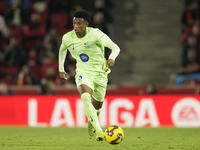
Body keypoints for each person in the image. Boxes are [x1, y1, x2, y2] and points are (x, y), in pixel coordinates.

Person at [58, 10, 120, 141]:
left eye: (79, 23)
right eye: (74, 23)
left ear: (86, 24)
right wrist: (61, 68)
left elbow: (115, 48)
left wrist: (112, 58)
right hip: (83, 72)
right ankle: (99, 131)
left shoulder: (96, 34)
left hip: (100, 74)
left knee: (97, 107)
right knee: (86, 98)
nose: (76, 26)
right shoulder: (67, 37)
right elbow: (62, 50)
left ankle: (91, 122)